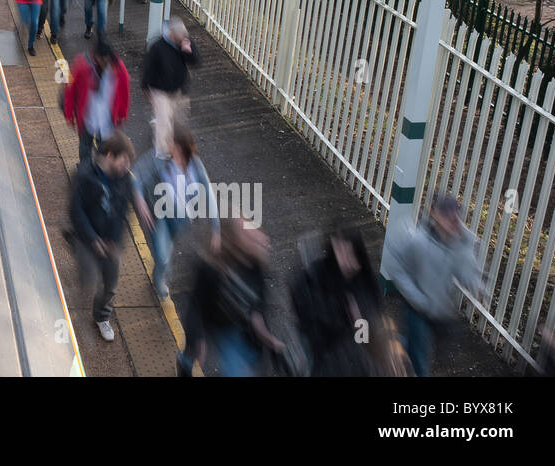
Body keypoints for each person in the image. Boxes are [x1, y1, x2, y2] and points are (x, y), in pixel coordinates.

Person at [389, 195, 483, 377]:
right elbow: (398, 271)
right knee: (420, 359)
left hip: (439, 310)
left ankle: (394, 342)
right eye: (446, 215)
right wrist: (418, 299)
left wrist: (476, 285)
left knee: (437, 351)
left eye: (454, 216)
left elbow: (465, 270)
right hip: (417, 309)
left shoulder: (459, 244)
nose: (451, 221)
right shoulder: (418, 242)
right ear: (434, 215)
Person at [180, 218, 285, 377]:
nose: (257, 237)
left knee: (240, 365)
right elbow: (195, 305)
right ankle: (185, 365)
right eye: (248, 235)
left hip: (231, 323)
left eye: (255, 232)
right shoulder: (210, 268)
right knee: (193, 351)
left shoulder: (256, 267)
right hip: (209, 316)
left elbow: (258, 301)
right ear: (235, 241)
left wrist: (265, 333)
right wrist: (198, 336)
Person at [132, 125, 221, 300]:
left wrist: (215, 228)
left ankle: (160, 270)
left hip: (181, 220)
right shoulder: (159, 158)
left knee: (166, 249)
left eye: (171, 142)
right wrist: (140, 199)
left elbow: (208, 193)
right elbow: (136, 175)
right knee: (163, 256)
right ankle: (159, 280)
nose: (167, 144)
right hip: (160, 215)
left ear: (180, 146)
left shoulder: (195, 164)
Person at [289, 226, 388, 376]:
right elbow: (310, 321)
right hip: (326, 358)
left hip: (355, 360)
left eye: (348, 253)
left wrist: (360, 323)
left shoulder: (364, 285)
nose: (344, 260)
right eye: (339, 251)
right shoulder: (316, 277)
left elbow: (368, 332)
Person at [68, 132, 136, 342]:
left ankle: (101, 317)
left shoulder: (124, 179)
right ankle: (75, 244)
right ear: (109, 156)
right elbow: (76, 211)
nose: (126, 167)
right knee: (88, 279)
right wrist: (92, 239)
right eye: (123, 161)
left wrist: (113, 240)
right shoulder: (84, 175)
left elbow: (123, 211)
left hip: (109, 241)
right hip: (87, 238)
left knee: (110, 285)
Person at [60, 36, 132, 165]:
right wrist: (69, 112)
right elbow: (69, 88)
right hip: (87, 117)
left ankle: (99, 169)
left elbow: (124, 91)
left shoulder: (119, 68)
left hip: (107, 119)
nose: (105, 62)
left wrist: (122, 113)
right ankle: (85, 169)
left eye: (107, 59)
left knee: (104, 148)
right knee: (85, 147)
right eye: (102, 59)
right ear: (96, 57)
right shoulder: (80, 64)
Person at [141, 16, 200, 159]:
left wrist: (188, 51)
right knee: (164, 124)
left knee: (179, 122)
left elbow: (197, 61)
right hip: (160, 91)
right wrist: (147, 92)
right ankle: (163, 154)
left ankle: (170, 141)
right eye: (179, 39)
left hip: (179, 90)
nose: (182, 41)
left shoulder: (184, 41)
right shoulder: (158, 47)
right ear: (171, 35)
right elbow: (147, 71)